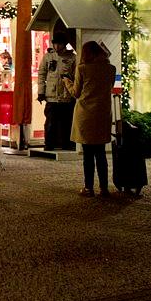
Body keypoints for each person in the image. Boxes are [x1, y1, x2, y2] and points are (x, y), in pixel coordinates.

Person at [65, 41, 116, 196]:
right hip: (102, 114)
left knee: (88, 154)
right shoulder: (110, 69)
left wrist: (66, 81)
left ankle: (88, 188)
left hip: (86, 114)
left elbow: (76, 92)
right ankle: (104, 188)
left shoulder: (83, 69)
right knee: (100, 153)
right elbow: (109, 87)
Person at [39, 32, 77, 151]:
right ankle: (49, 144)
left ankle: (66, 143)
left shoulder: (72, 57)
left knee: (67, 122)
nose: (56, 46)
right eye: (55, 44)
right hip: (51, 95)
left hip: (67, 95)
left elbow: (76, 76)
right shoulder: (48, 57)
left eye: (59, 44)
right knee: (50, 122)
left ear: (64, 44)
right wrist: (41, 92)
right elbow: (42, 74)